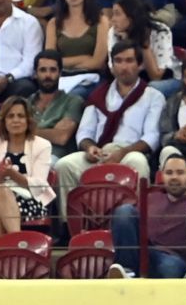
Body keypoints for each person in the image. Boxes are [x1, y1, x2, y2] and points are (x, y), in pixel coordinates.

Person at [55, 40, 165, 218]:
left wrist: (122, 153)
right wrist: (89, 148)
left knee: (138, 163)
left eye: (129, 61)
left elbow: (152, 136)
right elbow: (84, 132)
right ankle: (71, 226)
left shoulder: (153, 96)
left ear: (140, 65)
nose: (124, 66)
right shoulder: (99, 95)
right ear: (111, 66)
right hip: (100, 153)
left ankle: (134, 223)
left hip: (130, 152)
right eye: (118, 61)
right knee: (64, 165)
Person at [109, 153, 186, 277]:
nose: (174, 177)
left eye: (180, 172)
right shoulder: (150, 197)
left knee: (169, 267)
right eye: (169, 173)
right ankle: (127, 270)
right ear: (162, 176)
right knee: (124, 211)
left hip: (174, 258)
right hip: (142, 252)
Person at [0, 96, 55, 240]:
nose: (15, 120)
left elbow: (39, 185)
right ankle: (16, 244)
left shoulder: (42, 145)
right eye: (11, 116)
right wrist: (0, 175)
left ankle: (7, 246)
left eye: (21, 116)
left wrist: (13, 174)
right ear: (4, 121)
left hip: (31, 200)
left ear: (28, 120)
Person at [108, 0, 180, 98]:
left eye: (117, 14)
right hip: (135, 79)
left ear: (131, 16)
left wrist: (144, 45)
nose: (112, 19)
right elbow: (116, 72)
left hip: (167, 79)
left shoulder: (161, 31)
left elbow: (156, 76)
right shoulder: (114, 32)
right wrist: (126, 44)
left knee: (150, 89)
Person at [45, 0, 108, 100]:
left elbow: (98, 62)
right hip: (62, 79)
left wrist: (63, 63)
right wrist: (83, 58)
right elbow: (50, 61)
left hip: (91, 79)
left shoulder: (101, 21)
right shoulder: (53, 24)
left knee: (72, 97)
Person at [27, 50, 85, 160]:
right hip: (26, 154)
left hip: (54, 157)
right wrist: (50, 131)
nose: (48, 75)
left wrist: (28, 131)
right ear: (35, 74)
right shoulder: (26, 103)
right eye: (43, 70)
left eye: (53, 70)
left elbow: (61, 137)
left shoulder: (72, 101)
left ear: (60, 73)